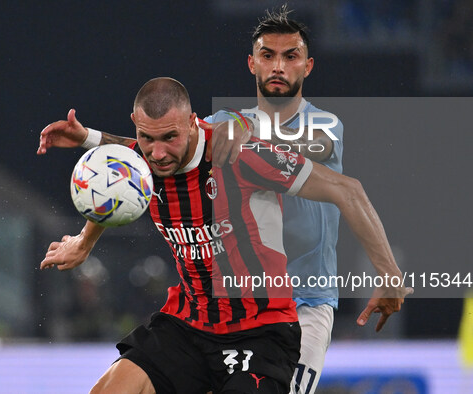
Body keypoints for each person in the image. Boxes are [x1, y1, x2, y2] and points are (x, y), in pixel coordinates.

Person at [37, 8, 410, 394]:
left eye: (290, 56)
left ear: (308, 66)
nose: (278, 66)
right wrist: (90, 143)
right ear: (252, 63)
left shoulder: (312, 127)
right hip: (195, 316)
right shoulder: (193, 137)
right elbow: (132, 164)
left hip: (287, 309)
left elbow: (330, 169)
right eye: (268, 56)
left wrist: (244, 131)